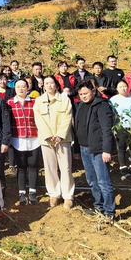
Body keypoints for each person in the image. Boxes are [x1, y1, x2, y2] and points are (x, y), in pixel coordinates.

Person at [73, 80, 116, 220]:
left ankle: (109, 211)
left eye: (85, 93)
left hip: (98, 150)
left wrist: (107, 150)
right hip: (84, 148)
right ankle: (99, 206)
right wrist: (77, 149)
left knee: (103, 181)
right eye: (81, 94)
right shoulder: (80, 106)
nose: (83, 96)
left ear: (93, 91)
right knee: (92, 180)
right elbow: (77, 128)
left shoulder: (102, 105)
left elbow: (107, 129)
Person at [33, 75, 75, 209]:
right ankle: (54, 193)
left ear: (56, 85)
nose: (49, 86)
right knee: (50, 167)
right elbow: (38, 119)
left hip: (63, 139)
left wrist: (60, 135)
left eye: (51, 83)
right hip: (47, 140)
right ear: (43, 86)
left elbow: (68, 118)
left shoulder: (64, 100)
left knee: (65, 167)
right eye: (46, 83)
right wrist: (47, 135)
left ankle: (68, 195)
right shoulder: (39, 101)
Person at [7, 79, 40, 205]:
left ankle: (32, 192)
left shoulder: (35, 102)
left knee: (33, 165)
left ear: (27, 88)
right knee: (21, 167)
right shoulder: (9, 103)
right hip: (17, 139)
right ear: (15, 89)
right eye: (18, 87)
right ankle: (22, 193)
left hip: (34, 138)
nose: (21, 89)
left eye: (23, 86)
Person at [109, 80, 131, 180]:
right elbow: (111, 114)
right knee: (121, 148)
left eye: (124, 86)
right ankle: (123, 168)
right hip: (120, 127)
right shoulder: (112, 100)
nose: (123, 88)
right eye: (120, 87)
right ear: (117, 89)